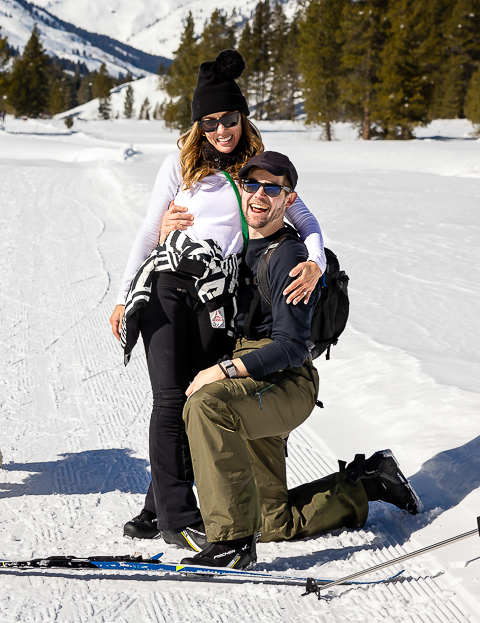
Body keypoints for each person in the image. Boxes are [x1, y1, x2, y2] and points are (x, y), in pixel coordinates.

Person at [109, 50, 328, 548]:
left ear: (241, 116)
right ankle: (177, 516)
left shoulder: (257, 169)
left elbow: (307, 219)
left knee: (194, 398)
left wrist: (314, 261)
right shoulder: (179, 163)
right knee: (169, 400)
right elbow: (149, 229)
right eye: (209, 122)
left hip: (217, 300)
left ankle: (154, 506)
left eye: (229, 118)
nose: (221, 130)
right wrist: (124, 296)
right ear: (197, 125)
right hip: (168, 288)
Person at [175, 151, 419, 569]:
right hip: (256, 379)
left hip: (285, 380)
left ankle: (232, 540)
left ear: (289, 199)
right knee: (271, 520)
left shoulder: (288, 257)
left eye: (273, 188)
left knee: (207, 406)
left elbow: (291, 346)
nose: (260, 195)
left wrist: (223, 370)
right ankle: (368, 483)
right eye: (252, 185)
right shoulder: (238, 243)